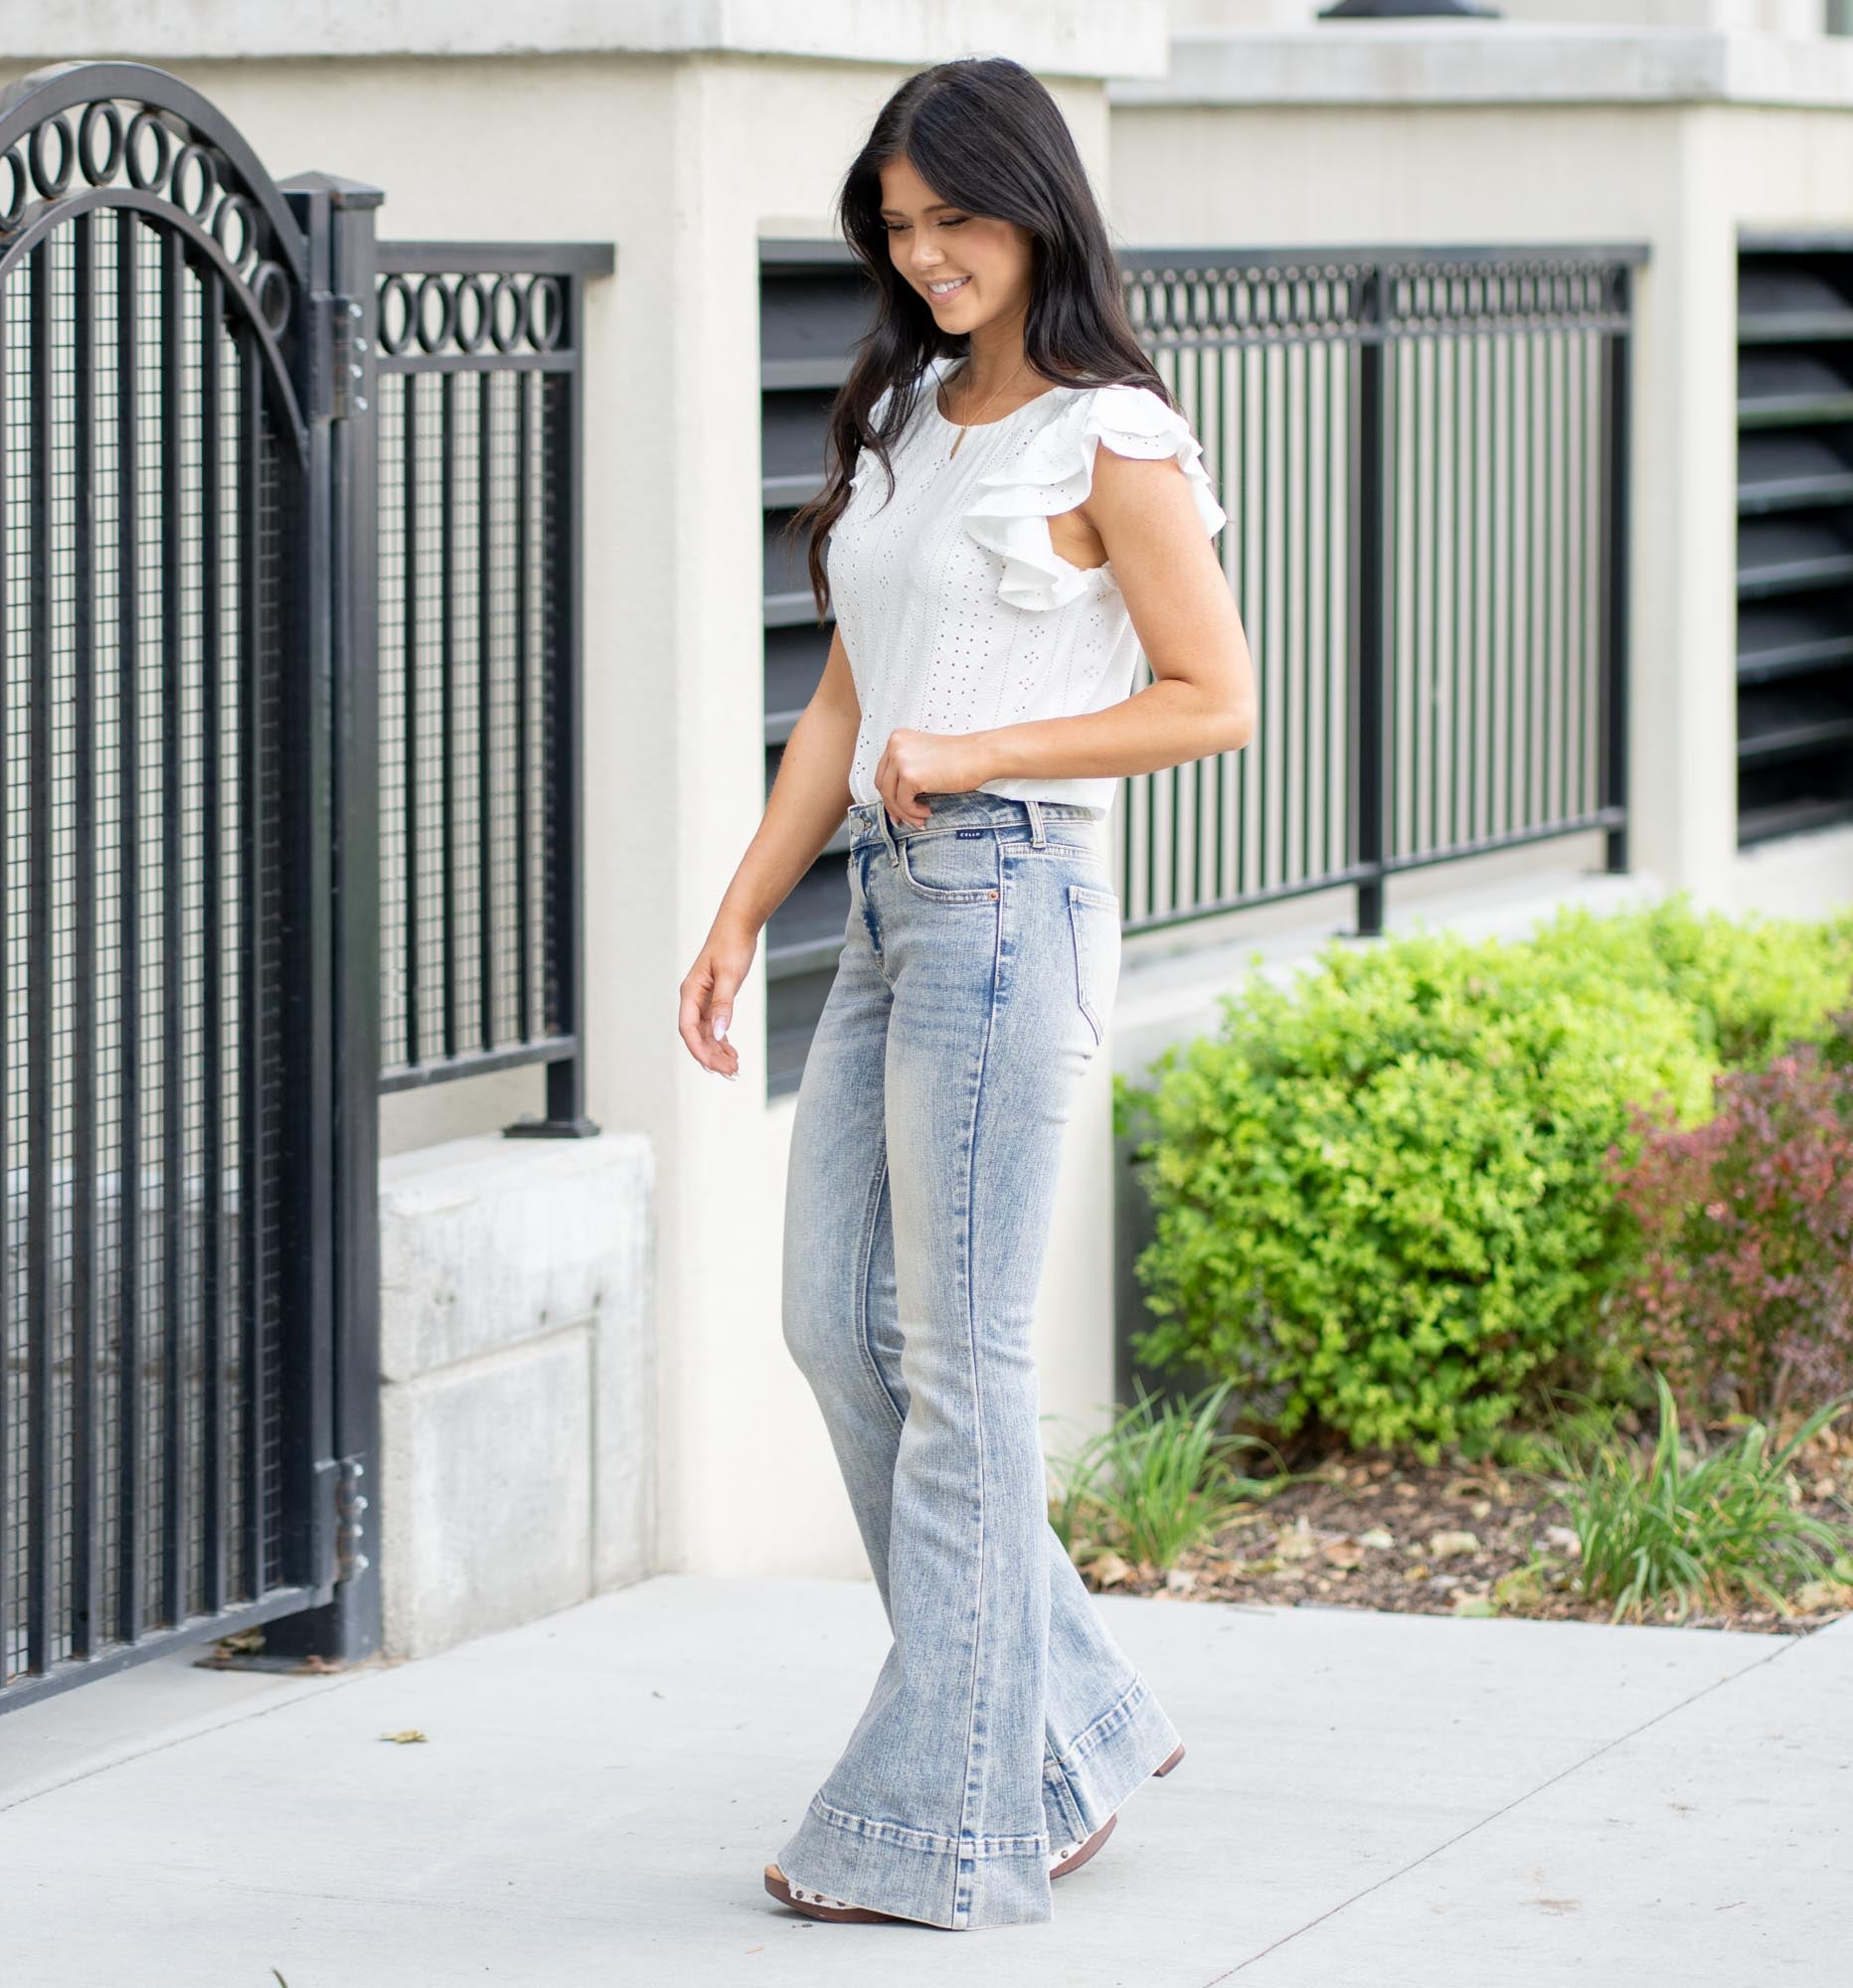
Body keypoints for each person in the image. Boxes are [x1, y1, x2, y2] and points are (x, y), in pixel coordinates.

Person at [677, 54, 1254, 1931]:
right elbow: (846, 698)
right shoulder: (914, 416)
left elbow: (1213, 699)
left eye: (958, 220)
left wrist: (986, 749)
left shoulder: (1111, 437)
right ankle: (1072, 1716)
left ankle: (946, 1823)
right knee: (835, 1327)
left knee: (966, 1367)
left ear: (1036, 209)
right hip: (885, 898)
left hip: (1011, 893)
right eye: (901, 227)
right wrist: (742, 911)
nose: (928, 256)